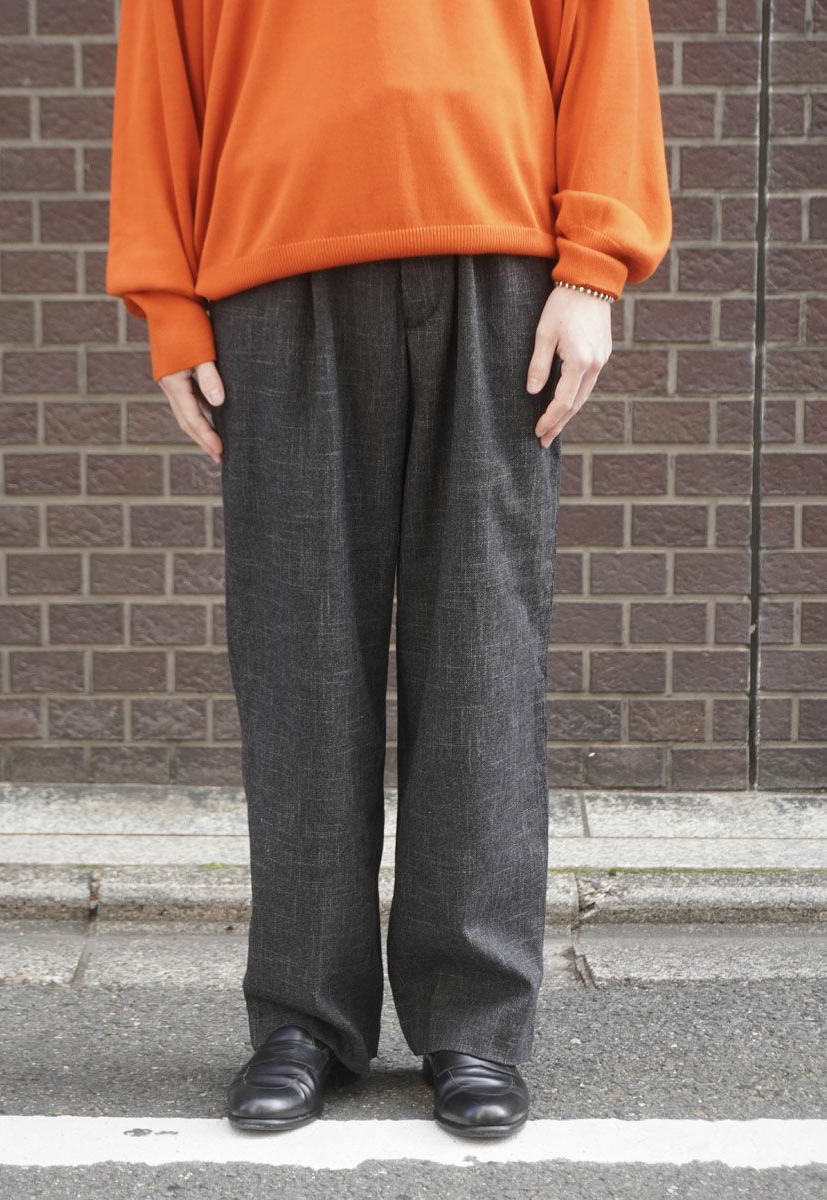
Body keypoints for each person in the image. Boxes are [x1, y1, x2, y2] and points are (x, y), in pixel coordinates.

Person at [106, 0, 671, 1140]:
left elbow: (603, 30)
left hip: (498, 266)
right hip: (271, 270)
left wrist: (593, 267)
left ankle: (473, 1022)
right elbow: (160, 66)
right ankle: (304, 1018)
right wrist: (167, 299)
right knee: (299, 658)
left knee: (483, 653)